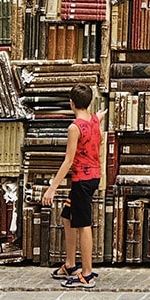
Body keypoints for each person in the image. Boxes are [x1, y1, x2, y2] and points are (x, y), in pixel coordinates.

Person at [41, 83, 102, 288]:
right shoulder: (94, 121)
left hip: (82, 181)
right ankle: (69, 263)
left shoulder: (74, 128)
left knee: (83, 224)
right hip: (94, 177)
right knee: (67, 216)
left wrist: (52, 188)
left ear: (71, 103)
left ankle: (86, 274)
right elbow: (98, 116)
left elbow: (68, 160)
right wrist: (100, 114)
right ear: (90, 102)